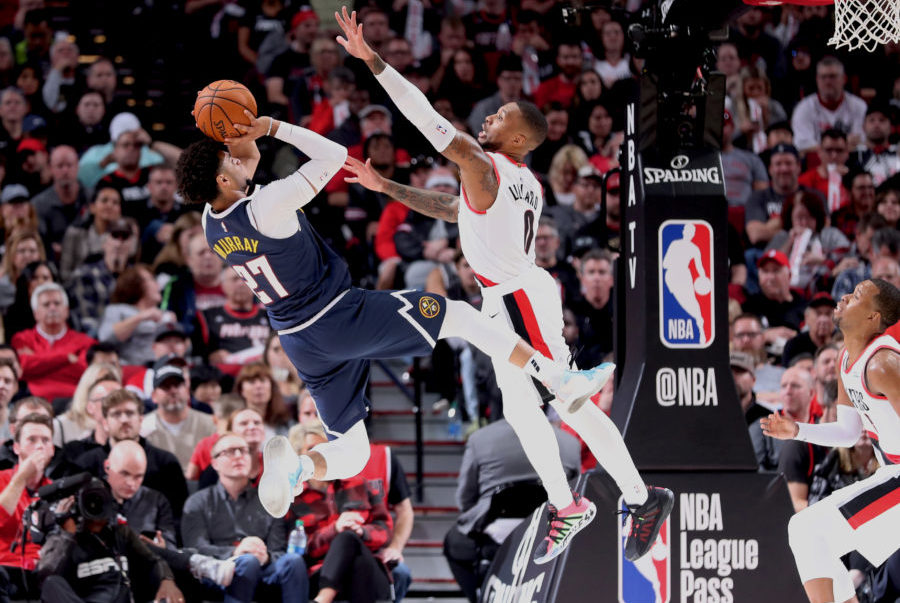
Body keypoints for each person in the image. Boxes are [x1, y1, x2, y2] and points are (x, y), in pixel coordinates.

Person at [174, 92, 614, 565]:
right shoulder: (270, 203)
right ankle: (558, 377)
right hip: (339, 314)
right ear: (223, 177)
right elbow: (334, 156)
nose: (241, 157)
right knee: (462, 315)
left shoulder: (211, 221)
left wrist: (241, 138)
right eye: (230, 158)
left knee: (354, 450)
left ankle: (301, 469)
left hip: (298, 340)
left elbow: (246, 166)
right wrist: (274, 126)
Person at [336, 7, 672, 565]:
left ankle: (636, 491)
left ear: (517, 136)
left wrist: (373, 61)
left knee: (569, 404)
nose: (487, 118)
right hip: (511, 296)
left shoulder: (484, 162)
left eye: (499, 115)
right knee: (521, 413)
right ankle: (572, 503)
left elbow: (424, 117)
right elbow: (453, 209)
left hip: (516, 296)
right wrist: (384, 184)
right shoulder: (519, 181)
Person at [762, 278, 900, 603]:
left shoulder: (883, 365)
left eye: (857, 296)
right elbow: (849, 432)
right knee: (814, 537)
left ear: (873, 318)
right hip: (890, 472)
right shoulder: (846, 359)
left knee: (809, 530)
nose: (845, 296)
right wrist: (797, 431)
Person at [444, 418, 580, 602]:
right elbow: (574, 498)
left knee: (453, 544)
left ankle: (480, 597)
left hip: (492, 535)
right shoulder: (570, 443)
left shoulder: (479, 439)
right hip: (549, 532)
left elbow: (465, 499)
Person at [181, 433, 308, 602]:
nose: (239, 456)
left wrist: (266, 557)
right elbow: (195, 548)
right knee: (247, 562)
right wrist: (236, 552)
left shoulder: (270, 499)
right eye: (230, 451)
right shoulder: (198, 502)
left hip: (263, 567)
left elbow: (278, 549)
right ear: (215, 463)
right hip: (218, 570)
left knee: (293, 561)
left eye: (244, 450)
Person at [11, 282, 96, 401]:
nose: (52, 308)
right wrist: (65, 358)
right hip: (29, 399)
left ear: (66, 310)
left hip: (74, 402)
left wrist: (37, 361)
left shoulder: (85, 341)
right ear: (36, 313)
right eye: (46, 304)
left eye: (57, 303)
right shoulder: (22, 339)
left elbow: (85, 373)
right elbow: (22, 369)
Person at [0, 413, 53, 601]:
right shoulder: (2, 479)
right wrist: (21, 477)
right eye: (31, 440)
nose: (40, 446)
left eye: (46, 440)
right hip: (4, 570)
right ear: (16, 448)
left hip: (43, 574)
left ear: (52, 450)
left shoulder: (56, 490)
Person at [140, 360, 216, 472]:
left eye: (177, 385)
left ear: (187, 390)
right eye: (166, 386)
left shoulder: (209, 423)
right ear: (154, 396)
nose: (173, 391)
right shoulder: (143, 426)